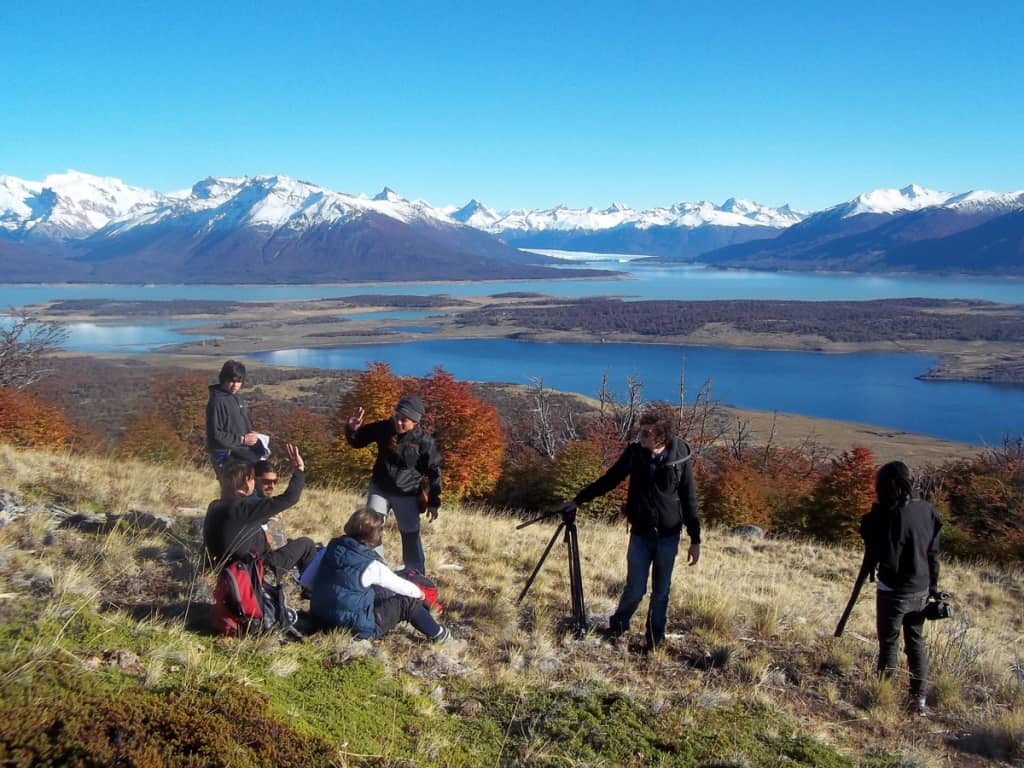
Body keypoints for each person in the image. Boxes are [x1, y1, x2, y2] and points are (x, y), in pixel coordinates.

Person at [558, 412, 700, 652]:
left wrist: (695, 540)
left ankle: (655, 640)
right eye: (640, 431)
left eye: (646, 433)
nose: (640, 437)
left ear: (661, 437)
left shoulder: (679, 459)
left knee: (661, 592)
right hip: (641, 534)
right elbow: (610, 479)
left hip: (668, 535)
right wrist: (578, 500)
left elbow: (689, 499)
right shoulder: (635, 454)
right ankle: (618, 626)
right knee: (635, 588)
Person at [860, 461, 942, 715]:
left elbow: (869, 537)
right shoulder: (927, 510)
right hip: (920, 589)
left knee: (889, 643)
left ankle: (884, 696)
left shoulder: (886, 515)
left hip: (892, 590)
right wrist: (933, 587)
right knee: (915, 642)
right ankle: (918, 700)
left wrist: (876, 509)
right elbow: (934, 554)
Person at [310, 507, 450, 642]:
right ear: (374, 535)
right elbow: (401, 586)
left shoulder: (330, 548)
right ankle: (438, 634)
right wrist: (419, 593)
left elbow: (306, 581)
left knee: (375, 590)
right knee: (409, 601)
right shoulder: (371, 564)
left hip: (319, 618)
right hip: (355, 628)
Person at [345, 394, 442, 574]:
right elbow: (357, 441)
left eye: (404, 420)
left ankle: (415, 573)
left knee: (410, 533)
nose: (398, 423)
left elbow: (434, 471)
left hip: (406, 493)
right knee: (369, 528)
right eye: (397, 417)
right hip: (380, 487)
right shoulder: (383, 427)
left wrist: (433, 502)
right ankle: (376, 569)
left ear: (415, 422)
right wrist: (352, 428)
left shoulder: (424, 441)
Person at [203, 443, 317, 578]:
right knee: (307, 544)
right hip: (252, 570)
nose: (272, 486)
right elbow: (290, 498)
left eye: (275, 482)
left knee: (284, 540)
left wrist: (265, 518)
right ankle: (307, 591)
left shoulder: (215, 506)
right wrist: (299, 470)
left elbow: (236, 525)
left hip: (221, 568)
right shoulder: (245, 508)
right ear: (248, 480)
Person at [206, 359, 265, 469]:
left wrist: (250, 433)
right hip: (224, 453)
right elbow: (215, 435)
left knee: (260, 470)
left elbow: (238, 422)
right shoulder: (217, 402)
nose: (235, 385)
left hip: (239, 448)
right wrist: (242, 439)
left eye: (239, 381)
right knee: (237, 484)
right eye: (231, 381)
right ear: (223, 379)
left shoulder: (236, 397)